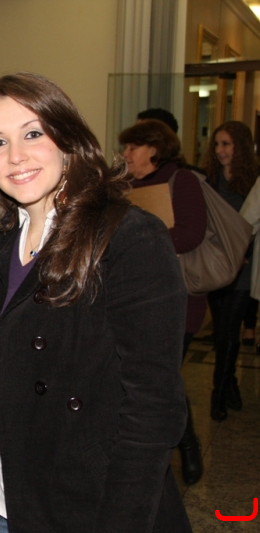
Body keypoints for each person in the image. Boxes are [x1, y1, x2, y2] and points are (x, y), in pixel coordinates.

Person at [0, 73, 191, 532]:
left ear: (68, 139)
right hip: (0, 504)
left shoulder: (127, 237)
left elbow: (153, 408)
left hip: (90, 509)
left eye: (33, 134)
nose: (15, 156)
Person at [118, 119, 207, 483]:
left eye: (132, 147)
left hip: (177, 297)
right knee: (151, 377)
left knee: (164, 376)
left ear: (153, 149)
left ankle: (186, 446)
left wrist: (140, 241)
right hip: (132, 295)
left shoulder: (181, 180)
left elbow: (191, 233)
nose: (126, 154)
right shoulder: (123, 186)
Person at [201, 120, 259, 420]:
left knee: (228, 330)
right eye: (217, 144)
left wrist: (244, 253)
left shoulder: (253, 182)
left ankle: (218, 392)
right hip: (216, 265)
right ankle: (231, 382)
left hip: (243, 267)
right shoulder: (209, 180)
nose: (220, 150)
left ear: (241, 147)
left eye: (226, 144)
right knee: (223, 329)